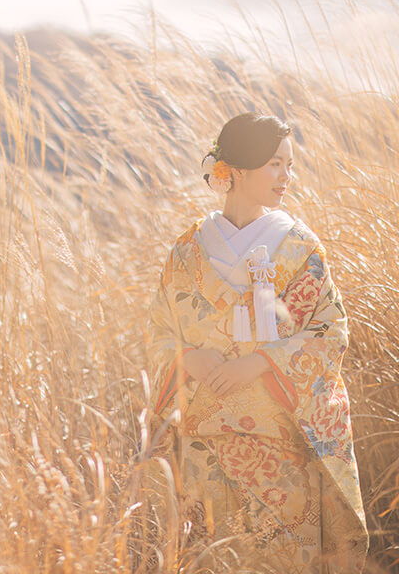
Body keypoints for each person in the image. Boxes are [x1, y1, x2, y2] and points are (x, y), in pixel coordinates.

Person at [145, 112, 368, 572]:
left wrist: (264, 361)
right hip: (205, 448)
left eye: (289, 164)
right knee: (213, 559)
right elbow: (158, 334)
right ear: (238, 169)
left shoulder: (301, 249)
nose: (287, 176)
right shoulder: (187, 251)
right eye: (275, 164)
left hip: (281, 451)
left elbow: (331, 331)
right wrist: (188, 358)